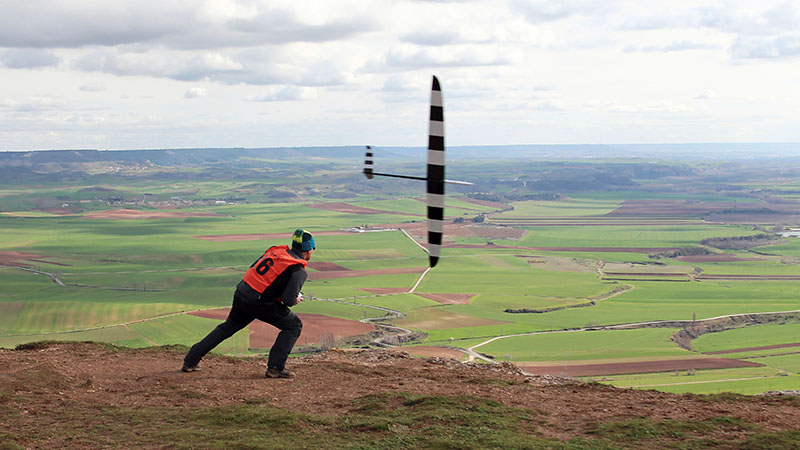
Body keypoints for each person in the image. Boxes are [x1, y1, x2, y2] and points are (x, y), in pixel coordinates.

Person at [182, 228, 315, 378]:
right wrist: (296, 298)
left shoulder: (275, 251)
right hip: (259, 302)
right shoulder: (298, 269)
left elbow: (259, 271)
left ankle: (190, 360)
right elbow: (288, 301)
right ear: (309, 250)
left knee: (228, 327)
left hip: (243, 292)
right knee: (293, 326)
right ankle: (276, 368)